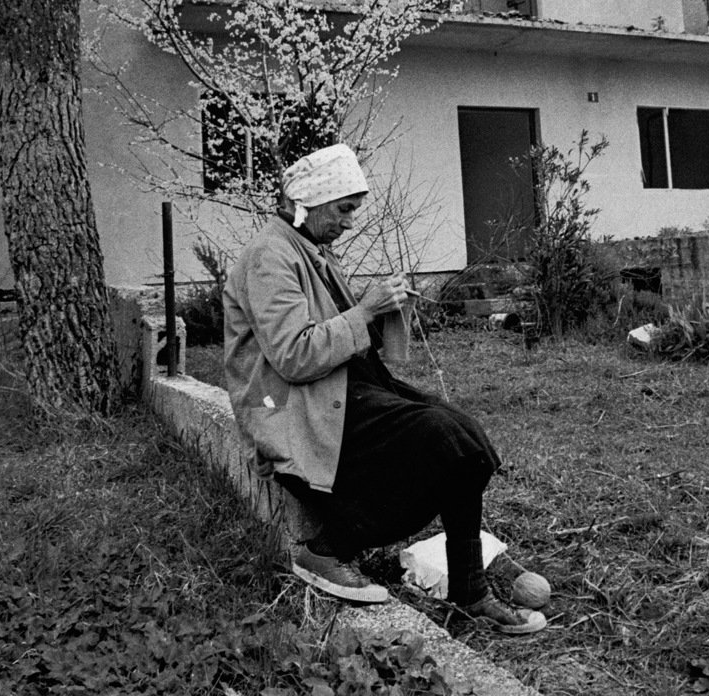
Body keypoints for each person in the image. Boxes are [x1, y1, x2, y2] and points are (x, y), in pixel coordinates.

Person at [223, 143, 545, 634]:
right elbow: (294, 355)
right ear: (307, 201)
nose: (349, 222)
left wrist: (387, 310)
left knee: (468, 442)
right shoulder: (270, 255)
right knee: (441, 442)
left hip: (337, 390)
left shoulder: (310, 250)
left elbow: (342, 336)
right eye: (343, 209)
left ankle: (470, 590)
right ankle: (327, 550)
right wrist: (366, 310)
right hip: (295, 409)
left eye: (352, 210)